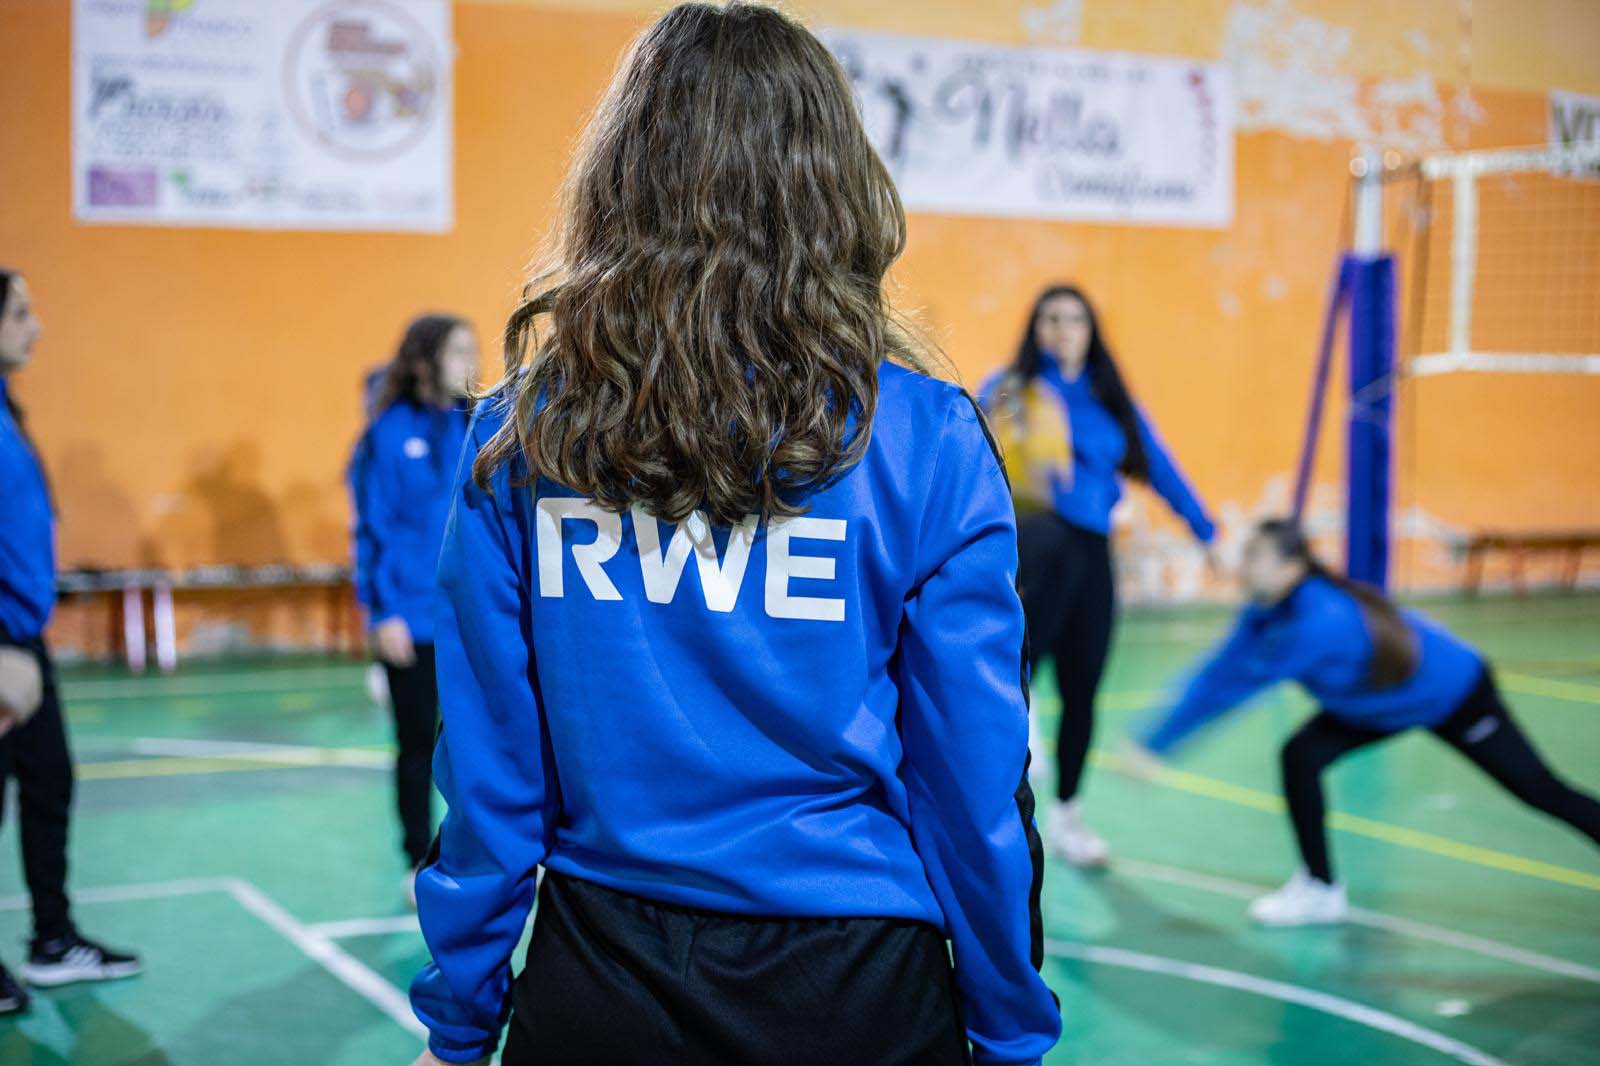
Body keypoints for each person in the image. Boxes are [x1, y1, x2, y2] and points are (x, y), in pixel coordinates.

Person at [406, 5, 1061, 1065]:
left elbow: (491, 776)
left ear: (620, 181)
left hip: (602, 982)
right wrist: (1008, 1030)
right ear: (832, 184)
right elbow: (974, 778)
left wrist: (460, 1022)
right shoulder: (927, 437)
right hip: (858, 994)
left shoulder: (521, 437)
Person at [1133, 518, 1600, 925]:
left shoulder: (1319, 622)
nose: (1244, 566)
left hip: (1454, 694)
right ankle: (1320, 890)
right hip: (1374, 706)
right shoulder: (1265, 609)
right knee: (1300, 756)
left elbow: (1235, 689)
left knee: (1540, 790)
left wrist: (1160, 744)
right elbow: (1218, 671)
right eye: (1245, 553)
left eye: (1256, 556)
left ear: (1291, 566)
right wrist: (1156, 741)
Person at [980, 284, 1216, 867]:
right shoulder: (1011, 389)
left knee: (1083, 687)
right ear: (1035, 328)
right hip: (1035, 546)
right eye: (1050, 318)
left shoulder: (1110, 400)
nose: (1062, 329)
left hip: (1092, 555)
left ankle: (1068, 813)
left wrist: (1206, 532)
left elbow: (1159, 466)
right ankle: (998, 805)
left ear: (1091, 330)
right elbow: (972, 460)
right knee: (1014, 674)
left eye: (1074, 319)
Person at [0, 269, 142, 1014]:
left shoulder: (7, 409)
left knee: (49, 781)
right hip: (3, 644)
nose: (37, 326)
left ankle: (52, 940)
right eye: (21, 312)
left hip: (25, 641)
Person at [347, 314, 476, 904]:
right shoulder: (387, 433)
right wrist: (382, 612)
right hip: (412, 621)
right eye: (457, 351)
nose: (471, 363)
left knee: (479, 745)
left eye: (473, 350)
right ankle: (417, 858)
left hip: (473, 621)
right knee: (418, 745)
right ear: (425, 361)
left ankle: (475, 856)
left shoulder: (481, 426)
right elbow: (371, 529)